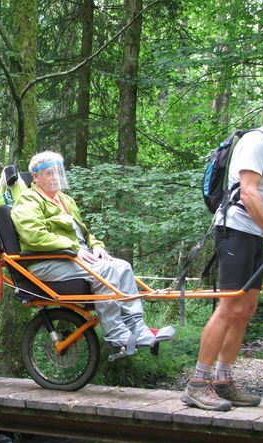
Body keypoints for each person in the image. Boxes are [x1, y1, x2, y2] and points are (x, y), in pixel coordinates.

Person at [181, 90, 263, 411]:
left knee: (246, 308)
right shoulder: (256, 141)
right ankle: (197, 383)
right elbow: (247, 194)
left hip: (252, 232)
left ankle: (223, 380)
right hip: (236, 231)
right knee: (229, 307)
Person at [11, 151, 174, 355]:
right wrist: (73, 250)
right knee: (104, 270)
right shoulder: (28, 201)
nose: (56, 178)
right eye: (49, 173)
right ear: (36, 177)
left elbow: (84, 233)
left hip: (73, 257)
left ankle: (137, 329)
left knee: (122, 267)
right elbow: (34, 236)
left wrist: (97, 246)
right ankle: (115, 334)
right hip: (47, 262)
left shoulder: (66, 200)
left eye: (58, 172)